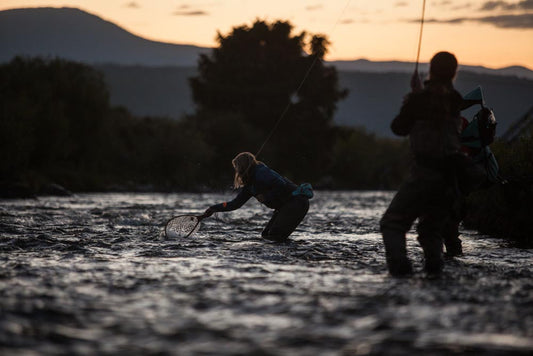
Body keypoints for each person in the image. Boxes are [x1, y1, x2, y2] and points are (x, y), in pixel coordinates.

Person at [379, 51, 468, 277]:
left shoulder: (418, 101)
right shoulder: (457, 100)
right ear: (454, 73)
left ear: (431, 69)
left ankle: (401, 271)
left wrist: (412, 97)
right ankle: (434, 272)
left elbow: (398, 128)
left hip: (424, 175)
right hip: (449, 178)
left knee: (392, 224)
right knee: (431, 230)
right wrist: (418, 94)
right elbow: (440, 111)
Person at [204, 152, 312, 242]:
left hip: (297, 202)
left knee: (274, 235)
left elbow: (281, 184)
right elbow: (235, 204)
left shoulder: (262, 172)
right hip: (287, 205)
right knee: (266, 236)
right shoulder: (249, 186)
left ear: (242, 166)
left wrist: (266, 196)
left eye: (236, 167)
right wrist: (214, 208)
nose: (236, 171)